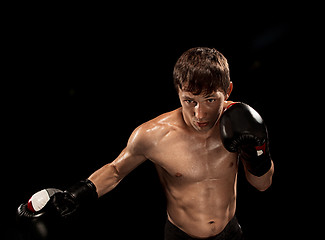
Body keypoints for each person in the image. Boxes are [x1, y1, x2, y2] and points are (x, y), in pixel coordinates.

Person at [17, 47, 274, 240]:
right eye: (190, 101)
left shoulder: (242, 122)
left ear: (227, 90)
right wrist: (76, 194)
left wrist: (258, 153)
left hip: (230, 231)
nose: (200, 114)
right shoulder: (153, 134)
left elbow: (263, 185)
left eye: (210, 100)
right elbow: (116, 170)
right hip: (180, 235)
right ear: (178, 93)